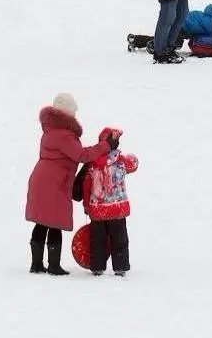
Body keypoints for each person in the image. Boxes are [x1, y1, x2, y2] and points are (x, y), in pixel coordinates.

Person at [26, 93, 114, 275]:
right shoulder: (65, 135)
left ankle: (36, 265)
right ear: (67, 113)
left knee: (41, 222)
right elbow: (82, 155)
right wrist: (106, 146)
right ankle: (54, 266)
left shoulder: (49, 131)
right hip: (54, 183)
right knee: (54, 222)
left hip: (40, 179)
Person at [81, 128, 138, 276]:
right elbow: (133, 165)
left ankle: (97, 267)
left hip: (98, 210)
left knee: (97, 241)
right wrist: (133, 158)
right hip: (117, 210)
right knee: (119, 240)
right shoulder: (120, 160)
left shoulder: (92, 163)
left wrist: (87, 205)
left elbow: (86, 186)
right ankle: (120, 266)